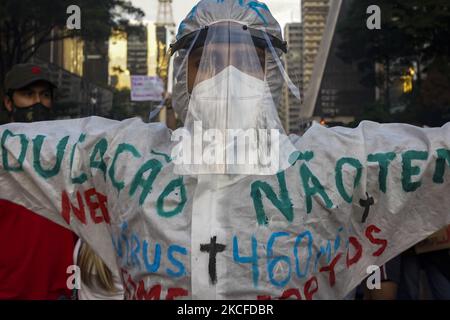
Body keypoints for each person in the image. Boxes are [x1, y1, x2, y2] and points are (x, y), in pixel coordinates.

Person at [0, 0, 450, 300]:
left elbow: (436, 155)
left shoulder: (330, 164)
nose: (227, 74)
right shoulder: (125, 158)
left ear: (271, 74)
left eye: (247, 57)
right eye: (208, 59)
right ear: (182, 75)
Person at [0, 63, 77, 299]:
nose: (38, 102)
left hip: (60, 291)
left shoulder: (73, 152)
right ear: (9, 103)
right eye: (28, 94)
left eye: (44, 95)